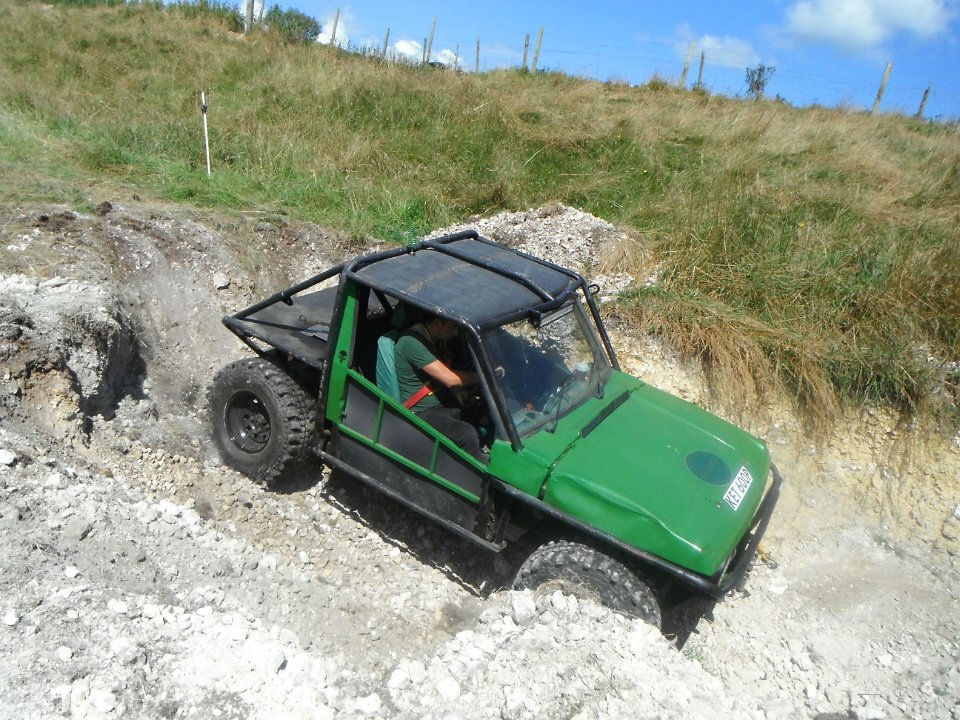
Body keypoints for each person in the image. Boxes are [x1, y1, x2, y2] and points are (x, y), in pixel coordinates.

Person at [394, 315, 484, 459]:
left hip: (444, 402)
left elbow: (446, 374)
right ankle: (481, 477)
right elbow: (450, 379)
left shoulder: (435, 340)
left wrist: (459, 393)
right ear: (436, 323)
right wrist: (485, 376)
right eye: (452, 327)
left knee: (487, 412)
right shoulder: (411, 342)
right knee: (466, 434)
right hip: (424, 411)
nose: (455, 333)